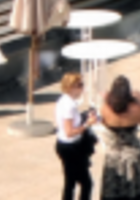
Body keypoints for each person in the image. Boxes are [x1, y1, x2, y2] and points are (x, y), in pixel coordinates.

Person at [99, 76, 140, 199]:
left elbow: (104, 122)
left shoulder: (106, 109)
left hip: (114, 153)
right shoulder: (136, 109)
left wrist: (106, 100)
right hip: (133, 151)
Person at [54, 71, 98, 200]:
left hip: (65, 146)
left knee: (71, 183)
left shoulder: (64, 101)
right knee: (86, 183)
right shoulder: (69, 106)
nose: (82, 88)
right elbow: (69, 132)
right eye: (80, 85)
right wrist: (87, 125)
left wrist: (84, 117)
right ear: (70, 88)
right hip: (71, 148)